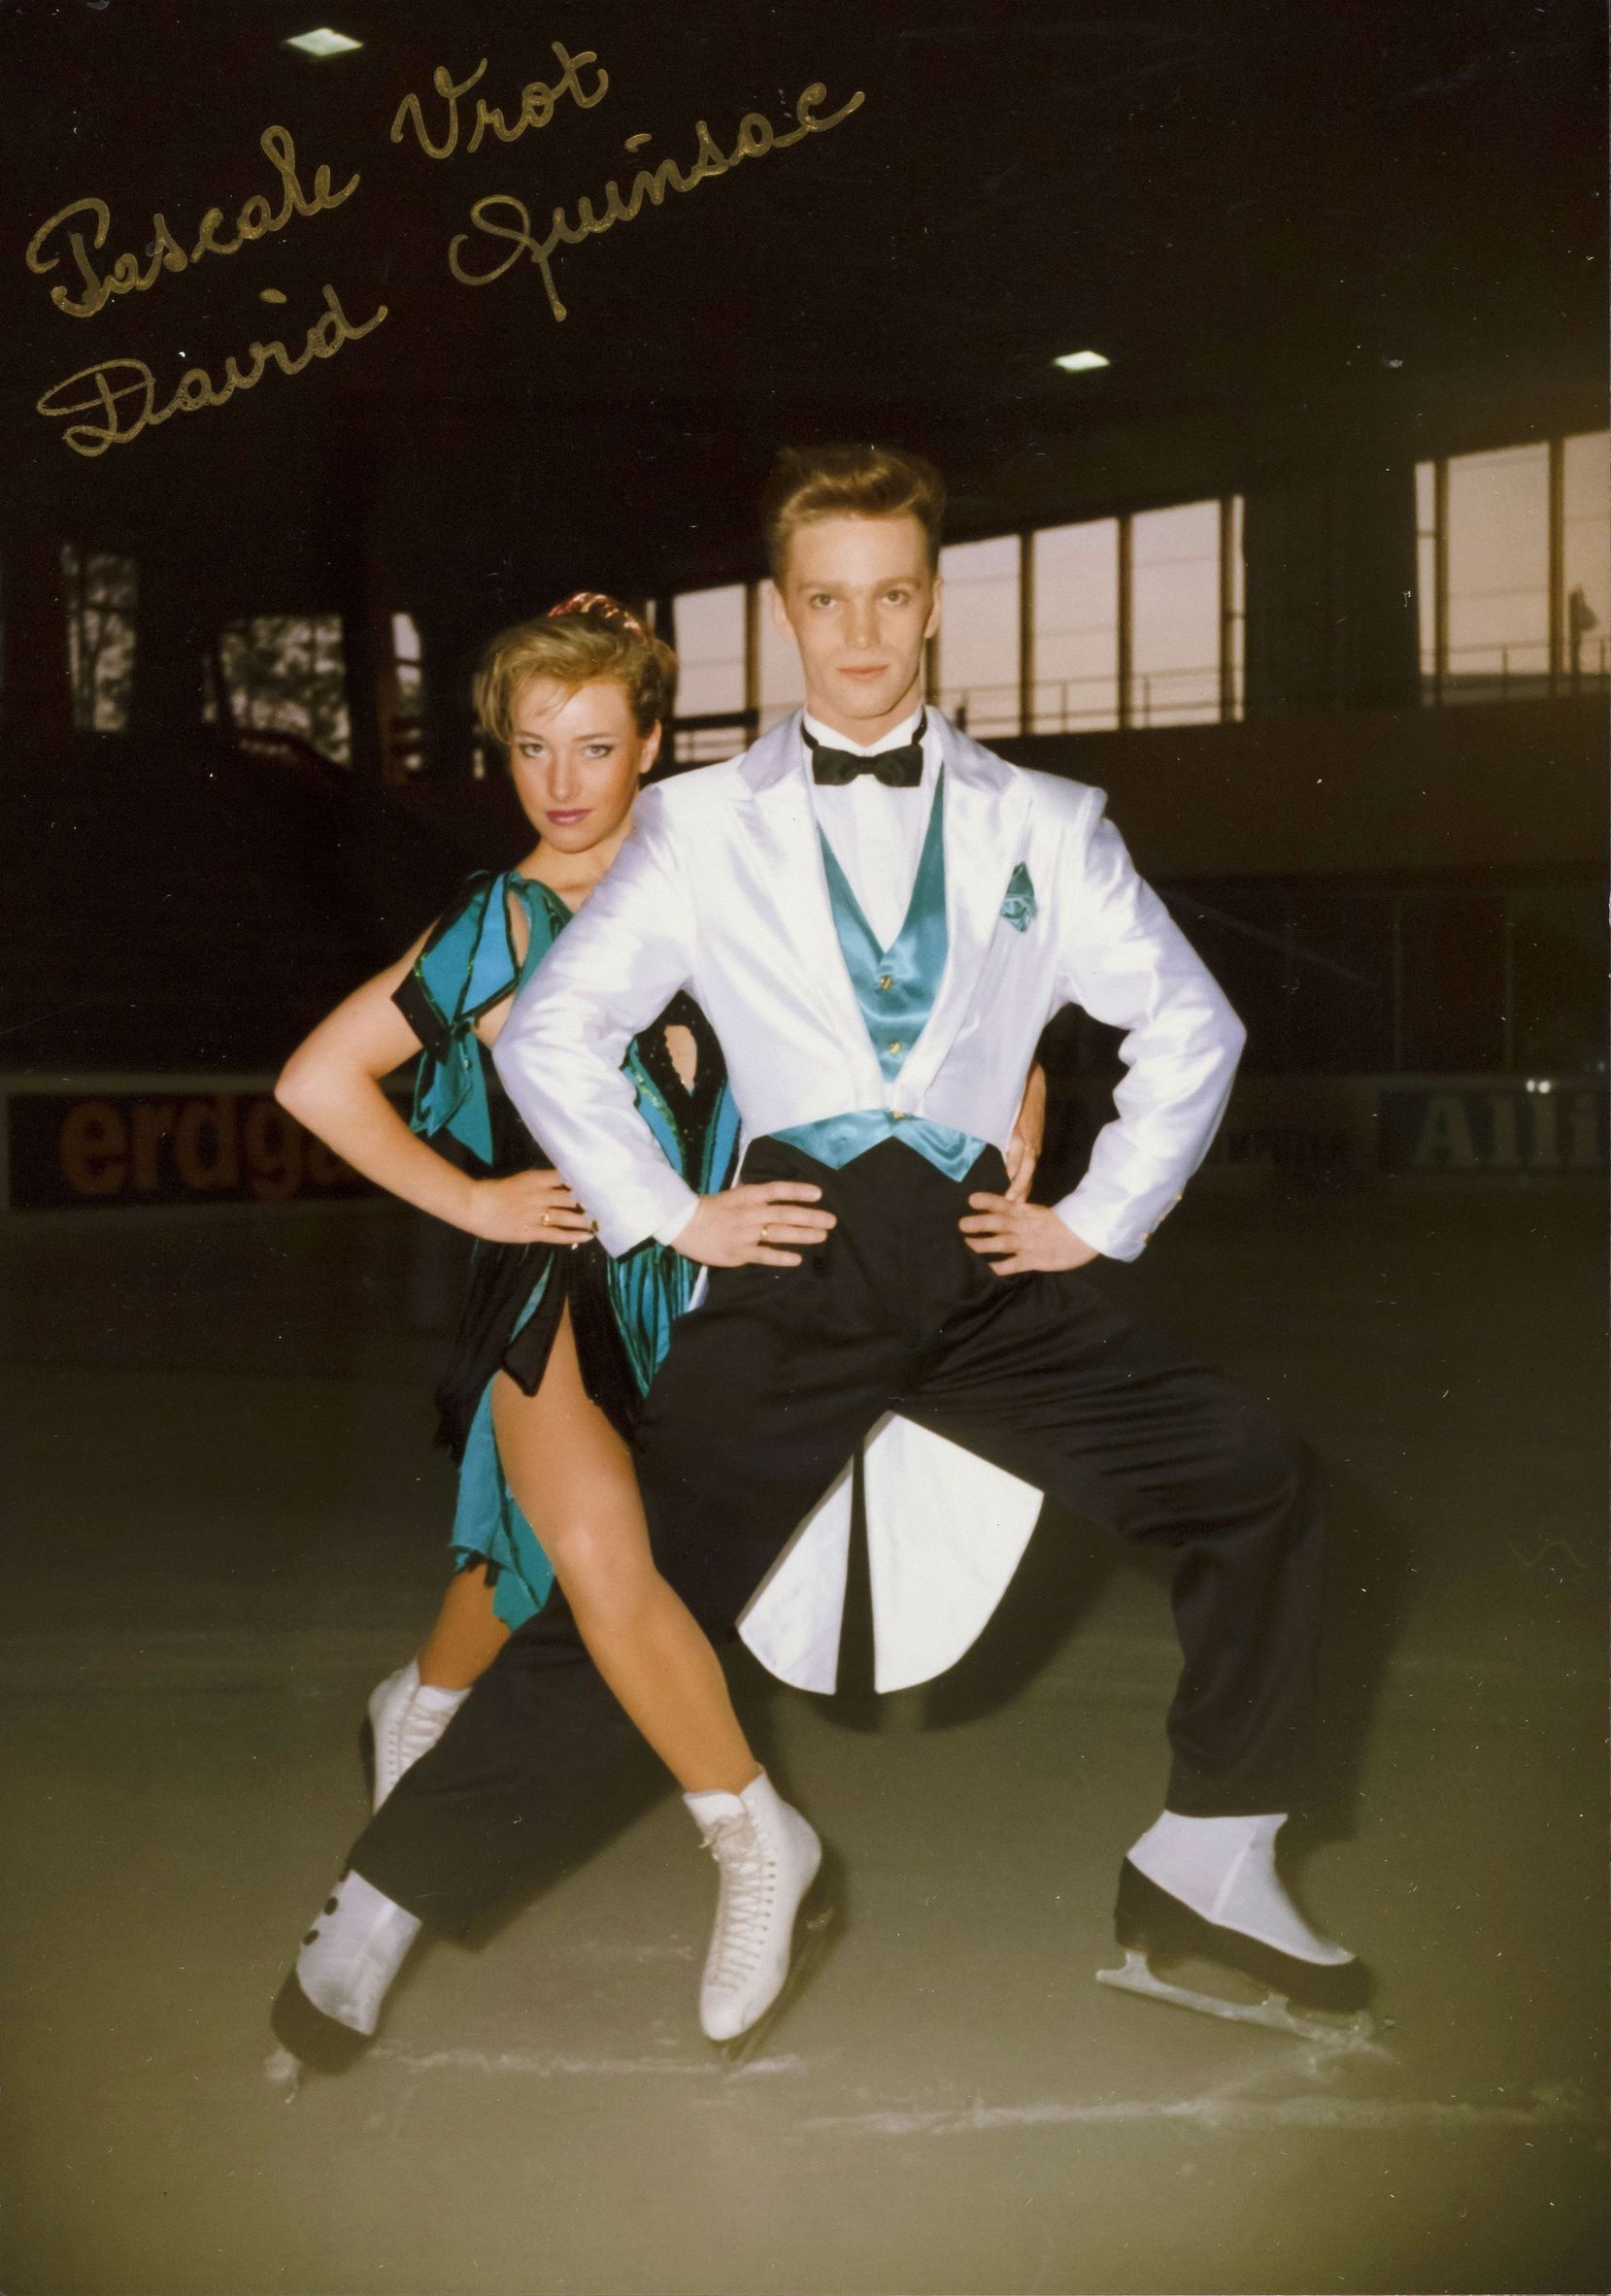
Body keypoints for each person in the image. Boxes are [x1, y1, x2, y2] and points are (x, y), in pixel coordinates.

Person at [273, 447, 1369, 2079]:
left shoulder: (1050, 825)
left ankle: (1211, 1850)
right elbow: (558, 1033)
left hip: (986, 1273)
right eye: (826, 599)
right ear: (786, 615)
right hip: (796, 1264)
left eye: (893, 595)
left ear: (933, 605)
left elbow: (1191, 1022)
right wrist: (665, 1211)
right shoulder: (700, 825)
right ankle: (371, 1913)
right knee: (629, 1598)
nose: (861, 633)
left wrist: (1093, 1213)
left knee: (1259, 1477)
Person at [270, 588, 1048, 2069]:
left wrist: (1003, 1134)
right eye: (528, 748)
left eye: (593, 744)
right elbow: (318, 1081)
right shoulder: (497, 926)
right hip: (555, 1285)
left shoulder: (733, 896)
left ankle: (422, 1699)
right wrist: (478, 1204)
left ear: (650, 746)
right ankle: (755, 1836)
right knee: (608, 1562)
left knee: (530, 1579)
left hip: (708, 1295)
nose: (559, 782)